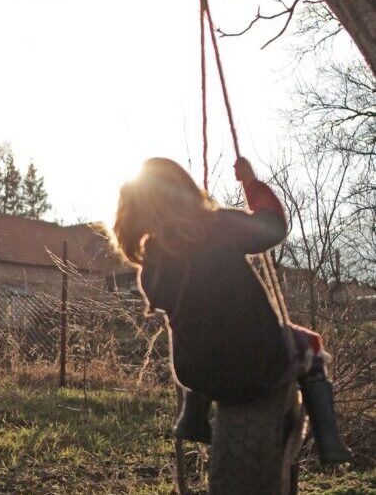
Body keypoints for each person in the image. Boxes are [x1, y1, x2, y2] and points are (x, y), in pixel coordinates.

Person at [113, 157, 351, 464]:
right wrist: (250, 184)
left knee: (200, 334)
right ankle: (328, 441)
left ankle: (193, 417)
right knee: (311, 346)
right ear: (185, 191)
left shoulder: (151, 264)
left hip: (196, 373)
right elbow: (273, 227)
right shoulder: (217, 226)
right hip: (259, 360)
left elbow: (170, 303)